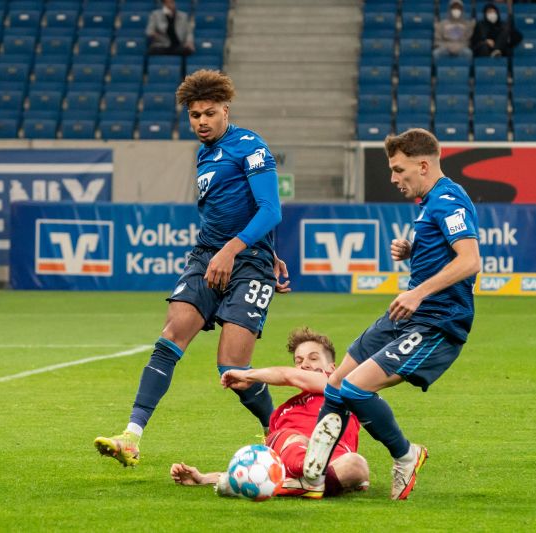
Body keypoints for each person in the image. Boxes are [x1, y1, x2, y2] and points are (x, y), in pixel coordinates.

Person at [95, 70, 289, 467]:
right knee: (171, 335)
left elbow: (272, 208)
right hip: (207, 256)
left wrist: (244, 250)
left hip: (246, 262)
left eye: (209, 113)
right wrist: (226, 250)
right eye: (194, 115)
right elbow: (234, 211)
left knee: (233, 368)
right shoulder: (204, 153)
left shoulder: (250, 146)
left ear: (226, 110)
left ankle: (282, 434)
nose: (201, 121)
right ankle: (131, 436)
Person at [301, 129, 481, 501]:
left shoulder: (449, 200)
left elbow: (470, 260)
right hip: (407, 315)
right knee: (336, 384)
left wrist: (417, 292)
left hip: (437, 320)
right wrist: (412, 249)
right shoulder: (431, 204)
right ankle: (311, 475)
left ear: (423, 164)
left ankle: (406, 455)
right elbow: (443, 252)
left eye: (399, 170)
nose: (394, 178)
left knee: (355, 388)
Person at [170, 327, 369, 499]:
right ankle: (309, 473)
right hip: (293, 449)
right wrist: (204, 477)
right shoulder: (282, 413)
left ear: (332, 367)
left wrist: (248, 375)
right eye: (299, 361)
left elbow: (288, 376)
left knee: (357, 465)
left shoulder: (340, 387)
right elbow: (263, 467)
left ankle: (297, 484)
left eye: (313, 358)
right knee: (291, 437)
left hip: (333, 456)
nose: (305, 365)